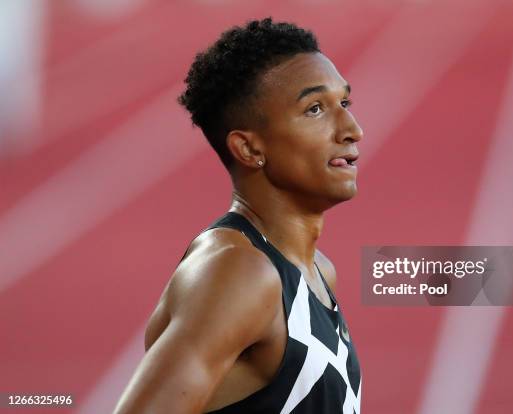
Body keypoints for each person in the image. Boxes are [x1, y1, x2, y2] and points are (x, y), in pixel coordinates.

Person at [113, 17, 363, 414]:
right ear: (248, 149)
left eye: (344, 103)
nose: (352, 129)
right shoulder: (240, 273)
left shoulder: (316, 271)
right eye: (315, 109)